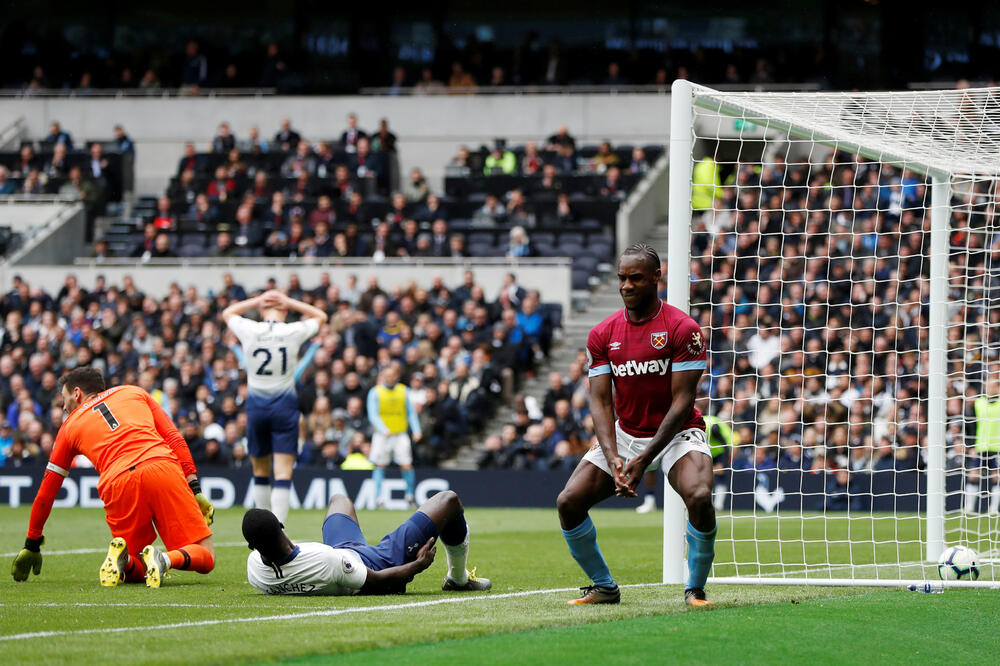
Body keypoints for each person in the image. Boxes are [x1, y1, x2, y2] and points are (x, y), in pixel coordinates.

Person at [556, 243, 716, 607]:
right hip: (626, 433)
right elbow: (599, 400)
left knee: (699, 496)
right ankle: (604, 585)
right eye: (622, 279)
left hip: (677, 433)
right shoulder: (602, 334)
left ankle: (695, 588)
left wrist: (643, 460)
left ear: (657, 277)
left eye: (636, 278)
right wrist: (614, 458)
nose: (626, 286)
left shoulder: (682, 329)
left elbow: (682, 403)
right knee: (569, 502)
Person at [10, 367, 215, 588]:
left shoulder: (68, 427)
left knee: (137, 563)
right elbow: (175, 439)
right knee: (205, 554)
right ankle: (165, 559)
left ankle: (124, 561)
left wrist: (32, 543)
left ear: (77, 393)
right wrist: (194, 487)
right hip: (160, 465)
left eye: (65, 398)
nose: (64, 405)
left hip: (117, 481)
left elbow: (47, 491)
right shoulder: (134, 392)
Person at [243, 490, 491, 595]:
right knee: (449, 500)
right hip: (375, 563)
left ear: (252, 547)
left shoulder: (255, 570)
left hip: (341, 554)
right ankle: (458, 579)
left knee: (339, 500)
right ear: (282, 526)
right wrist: (419, 565)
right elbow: (381, 581)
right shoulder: (326, 561)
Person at [222, 290, 328, 523]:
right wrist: (289, 300)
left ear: (261, 311)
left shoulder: (250, 329)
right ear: (286, 311)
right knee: (282, 473)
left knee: (260, 471)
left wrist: (258, 299)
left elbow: (228, 312)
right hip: (284, 406)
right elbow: (321, 316)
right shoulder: (292, 330)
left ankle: (264, 530)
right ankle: (278, 529)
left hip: (256, 407)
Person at [367, 364, 422, 508]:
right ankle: (378, 498)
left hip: (400, 434)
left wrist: (416, 430)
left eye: (392, 375)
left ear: (396, 376)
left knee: (406, 464)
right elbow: (372, 414)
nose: (389, 378)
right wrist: (383, 428)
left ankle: (410, 495)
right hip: (381, 435)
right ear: (383, 376)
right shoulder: (375, 392)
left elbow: (411, 413)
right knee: (380, 465)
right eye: (387, 375)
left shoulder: (404, 391)